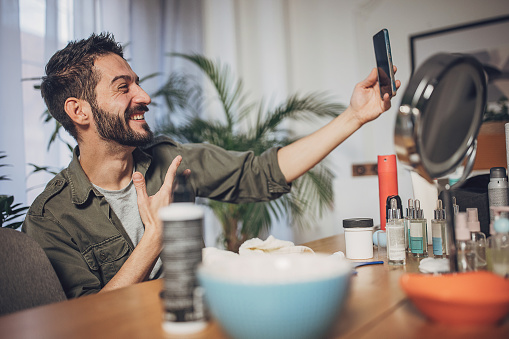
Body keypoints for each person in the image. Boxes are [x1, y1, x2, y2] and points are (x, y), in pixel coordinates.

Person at [22, 32, 400, 298]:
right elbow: (81, 321)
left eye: (137, 83)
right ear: (79, 111)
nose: (145, 95)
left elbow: (262, 173)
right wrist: (153, 240)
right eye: (124, 87)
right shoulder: (50, 218)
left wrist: (354, 116)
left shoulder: (169, 159)